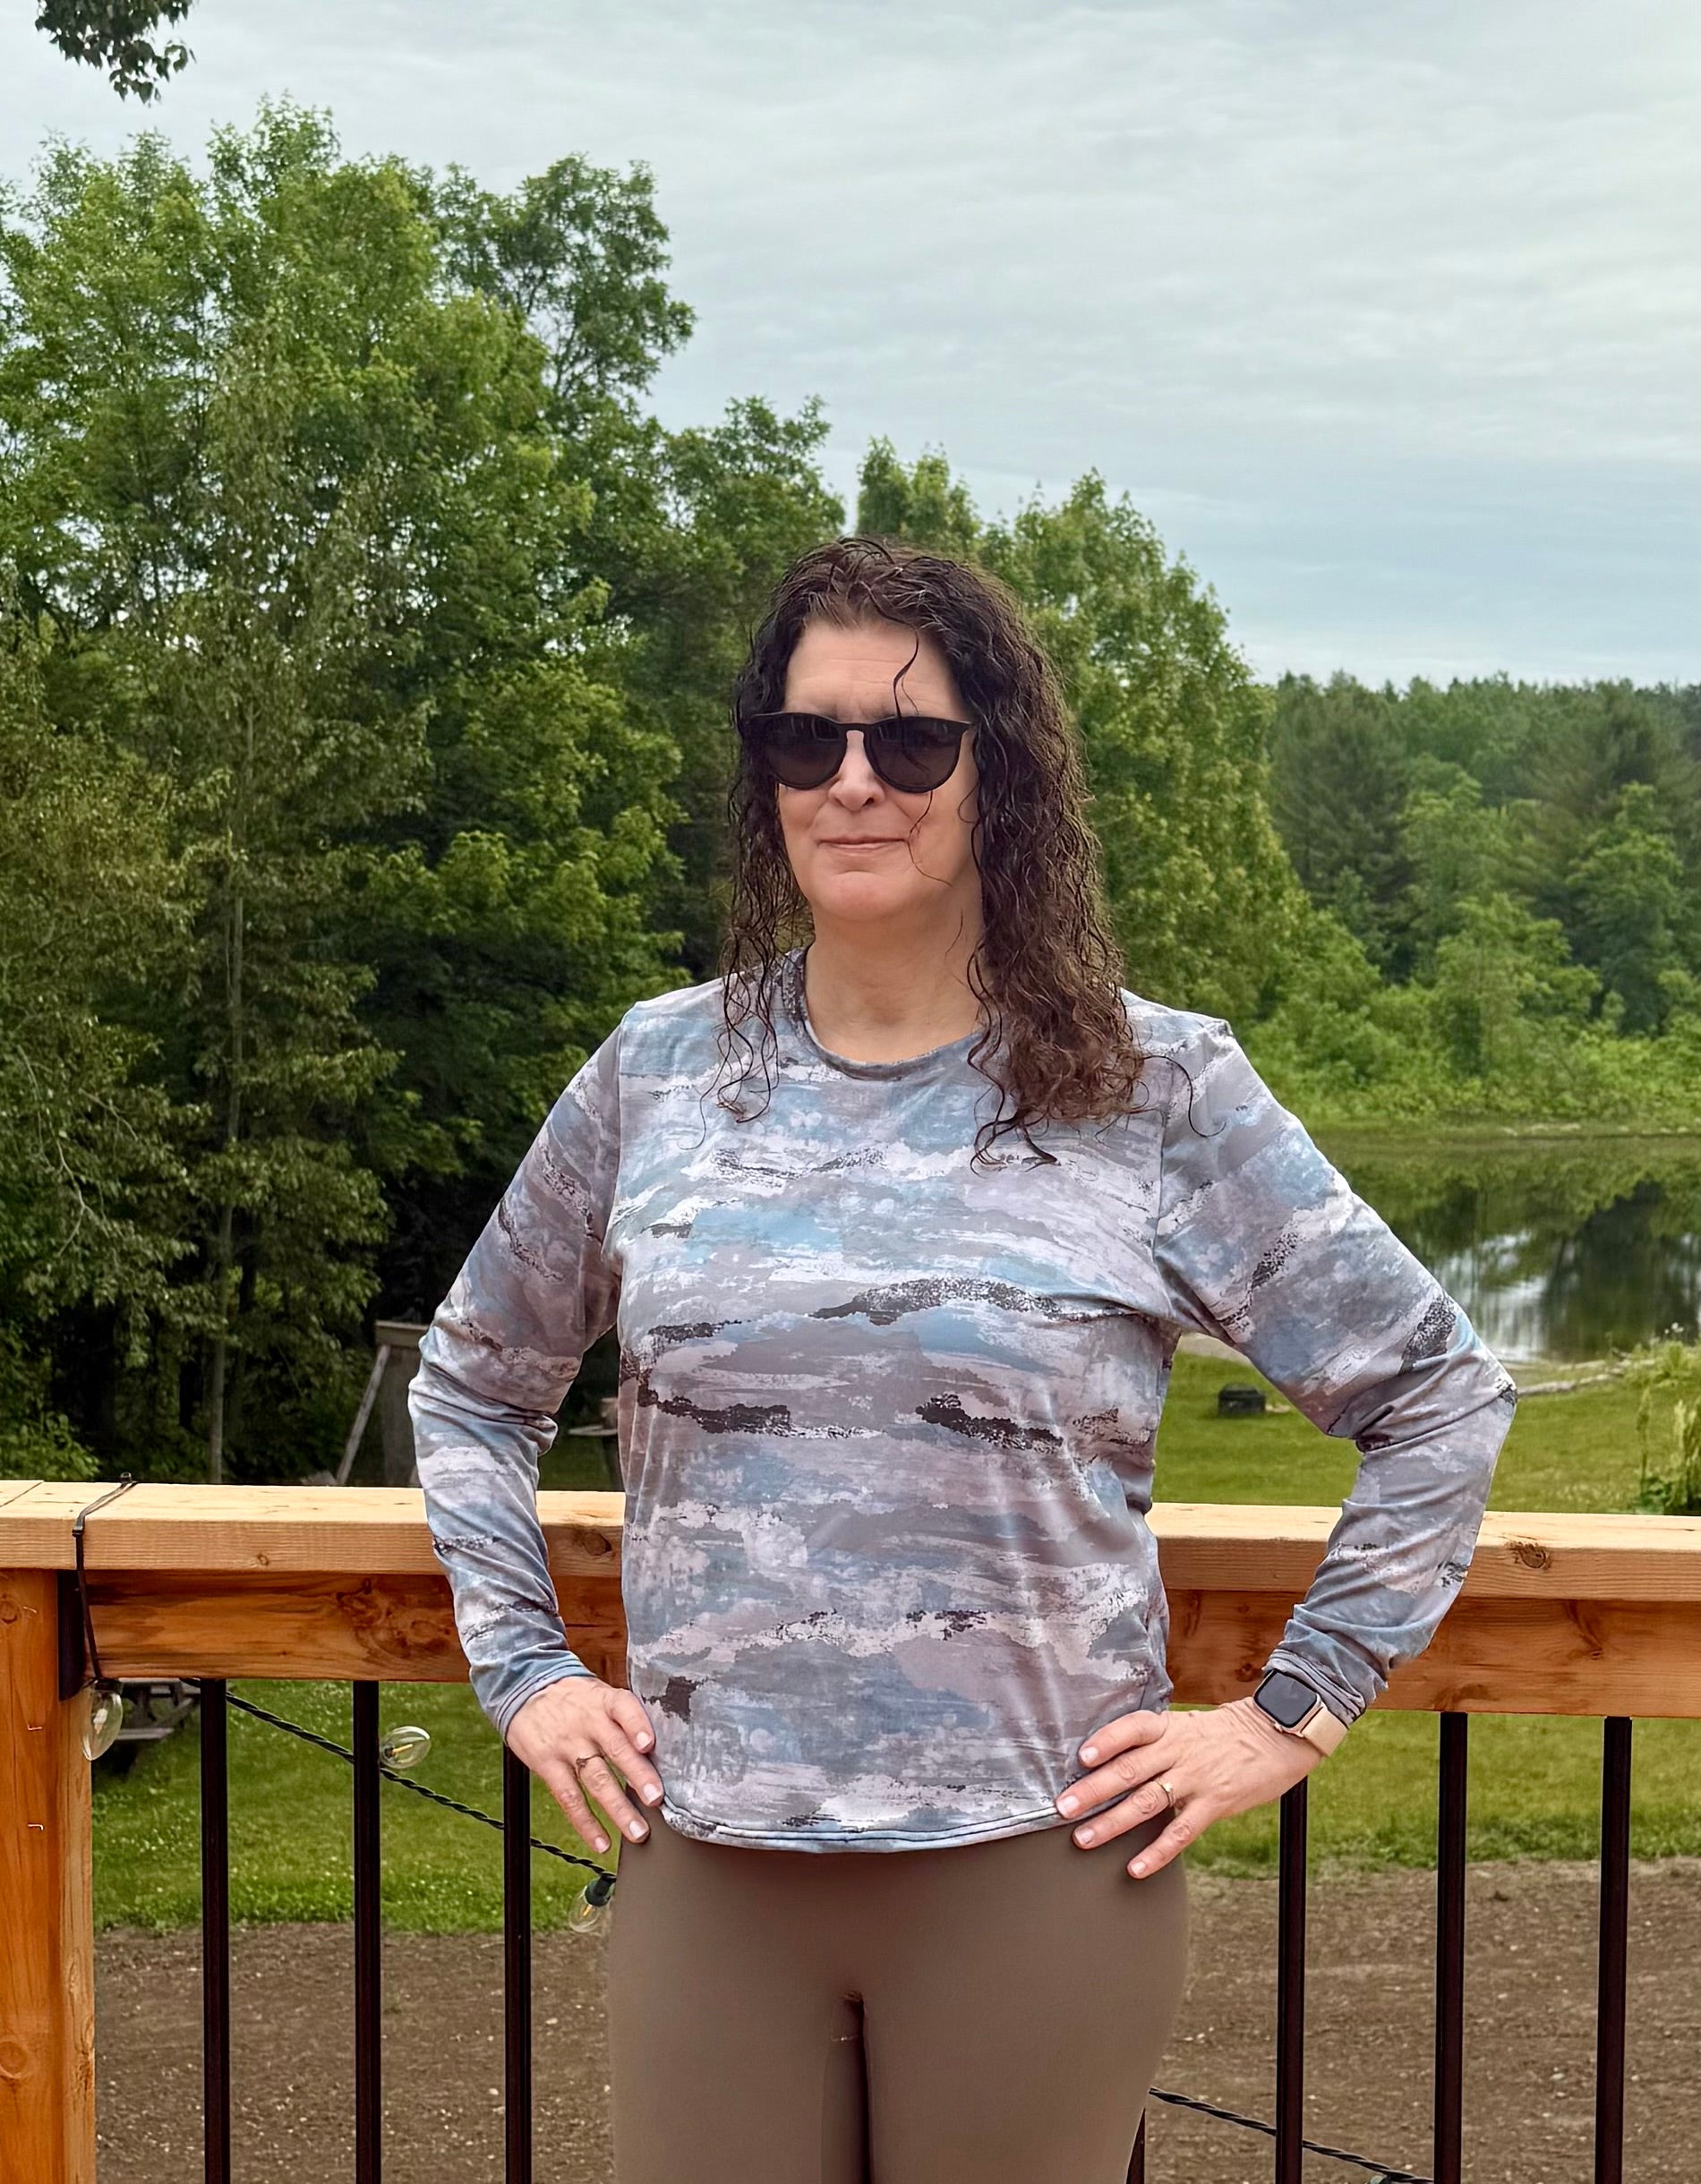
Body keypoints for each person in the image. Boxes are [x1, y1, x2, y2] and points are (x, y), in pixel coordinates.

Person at [409, 536, 1518, 2184]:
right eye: (807, 738)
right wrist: (525, 1669)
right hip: (706, 1858)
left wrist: (1292, 1715)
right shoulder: (655, 1074)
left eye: (912, 740)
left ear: (999, 773)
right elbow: (473, 1384)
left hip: (1037, 1873)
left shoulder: (1152, 1089)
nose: (854, 781)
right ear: (768, 773)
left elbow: (1438, 1399)